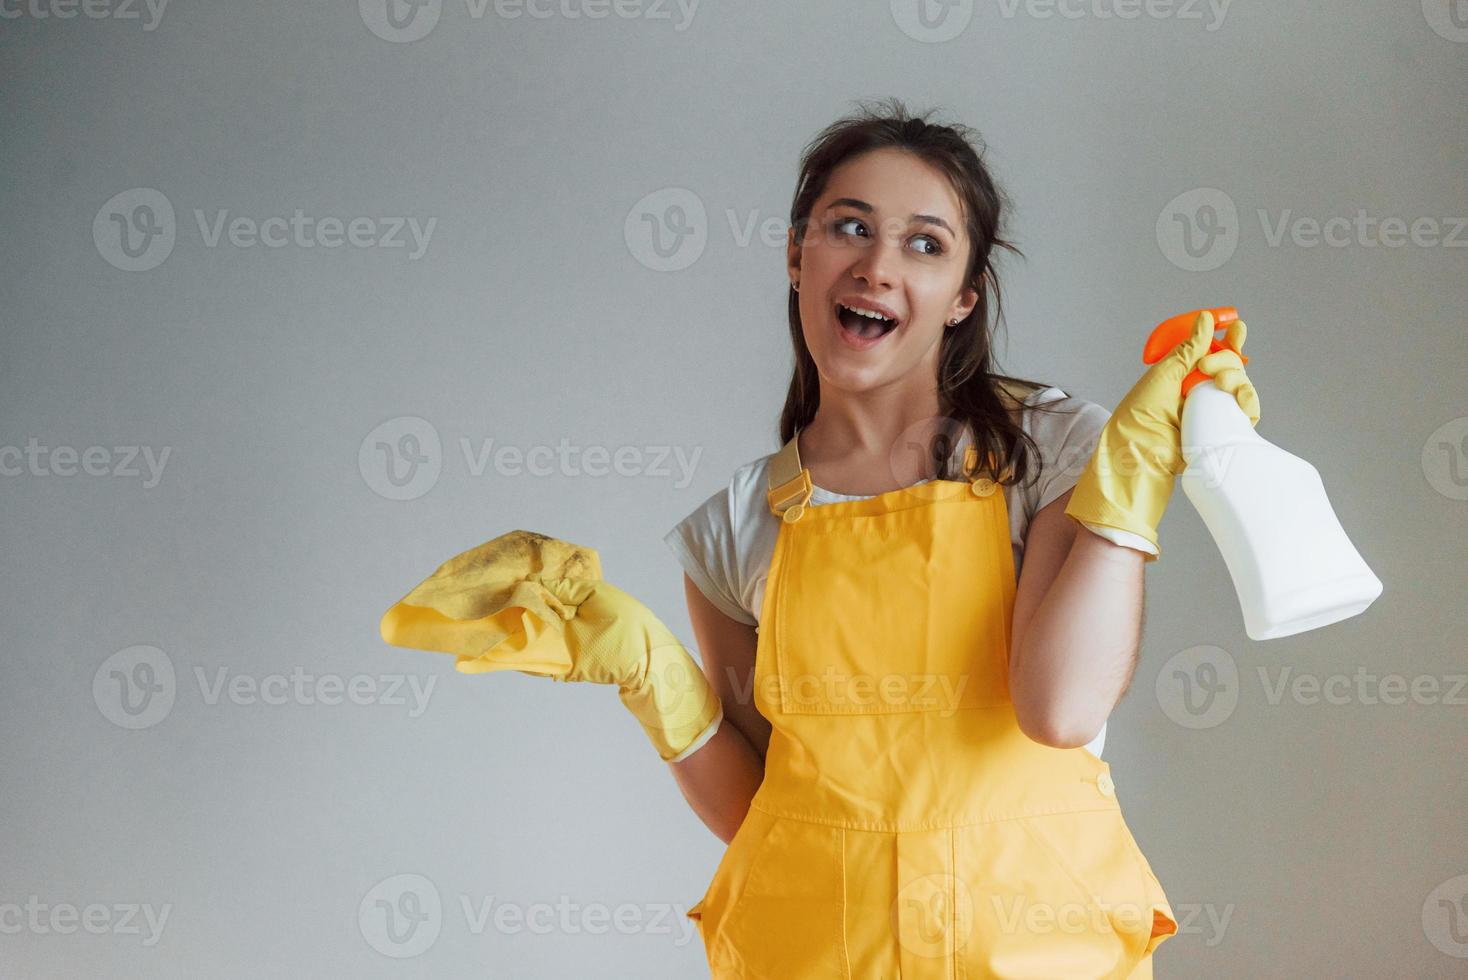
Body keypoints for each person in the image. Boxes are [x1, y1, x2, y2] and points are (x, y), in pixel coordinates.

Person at [380, 97, 1260, 977]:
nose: (878, 266)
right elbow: (764, 814)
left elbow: (1060, 708)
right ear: (799, 257)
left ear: (963, 297)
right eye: (851, 228)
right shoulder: (738, 526)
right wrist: (646, 669)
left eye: (925, 243)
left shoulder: (1049, 450)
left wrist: (1130, 485)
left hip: (1039, 955)